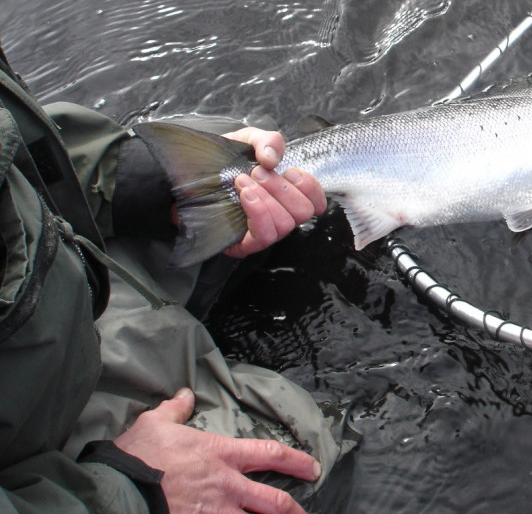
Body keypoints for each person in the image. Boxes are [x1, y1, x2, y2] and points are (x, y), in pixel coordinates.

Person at [0, 46, 352, 514]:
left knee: (224, 151)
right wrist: (133, 488)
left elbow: (18, 144)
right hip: (31, 465)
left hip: (46, 300)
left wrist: (146, 187)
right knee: (299, 458)